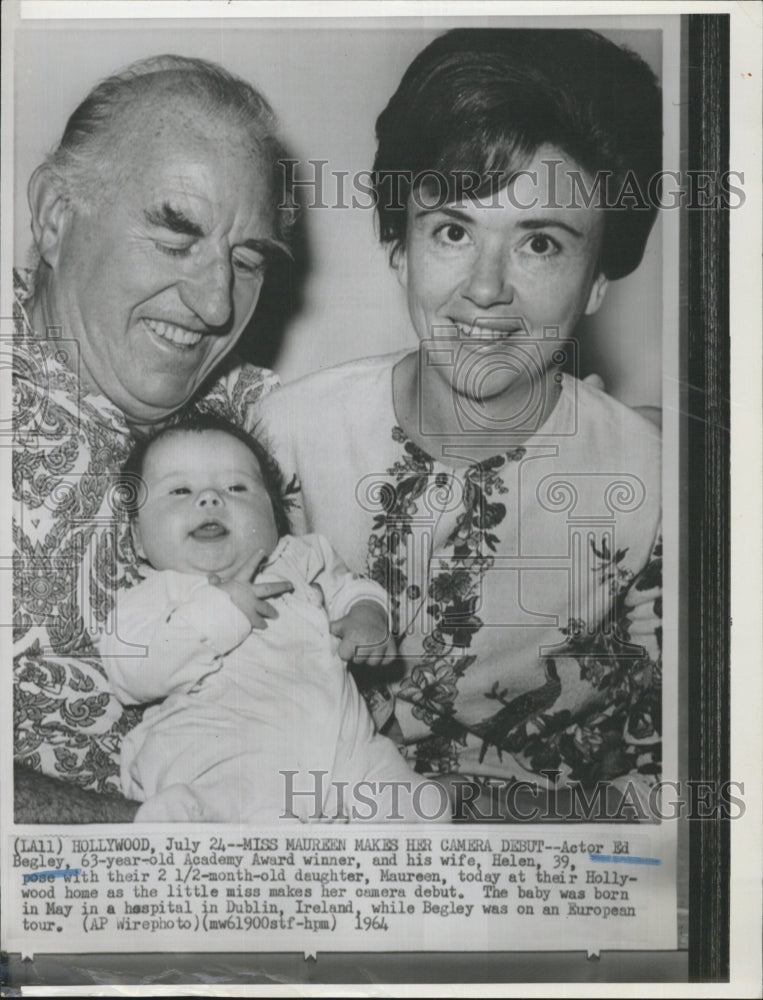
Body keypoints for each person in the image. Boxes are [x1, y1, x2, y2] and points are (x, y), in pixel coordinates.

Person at [256, 29, 663, 819]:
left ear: (597, 281)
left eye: (540, 243)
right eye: (451, 230)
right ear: (400, 247)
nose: (485, 289)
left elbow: (675, 794)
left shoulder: (653, 488)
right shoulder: (284, 437)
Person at [13, 55, 296, 821]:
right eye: (176, 241)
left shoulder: (276, 420)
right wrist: (155, 851)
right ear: (54, 217)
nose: (214, 305)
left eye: (245, 261)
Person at [99, 415, 440, 823]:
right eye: (180, 490)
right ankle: (191, 826)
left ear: (275, 518)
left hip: (347, 752)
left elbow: (350, 586)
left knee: (421, 807)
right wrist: (221, 612)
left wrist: (366, 613)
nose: (209, 498)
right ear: (138, 537)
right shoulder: (160, 593)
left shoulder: (300, 557)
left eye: (236, 487)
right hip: (225, 758)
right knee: (233, 811)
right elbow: (130, 671)